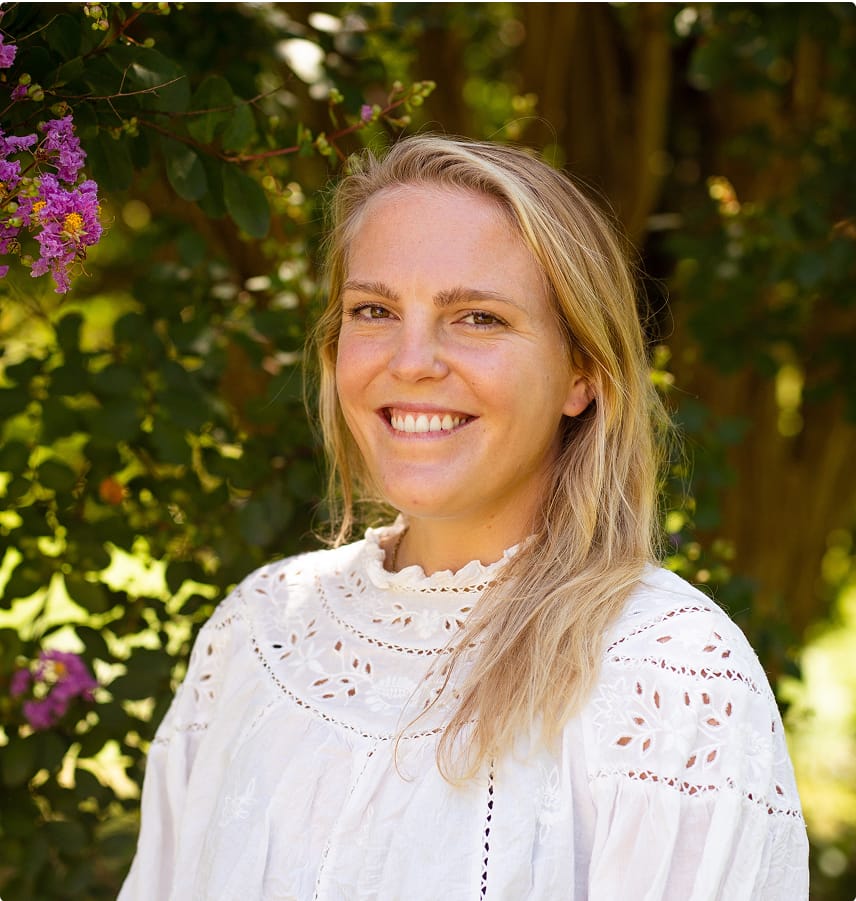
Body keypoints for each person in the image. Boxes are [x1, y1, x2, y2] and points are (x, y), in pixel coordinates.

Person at [119, 135, 808, 900]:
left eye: (477, 317)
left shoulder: (670, 670)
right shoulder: (257, 629)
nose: (411, 360)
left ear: (582, 371)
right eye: (374, 309)